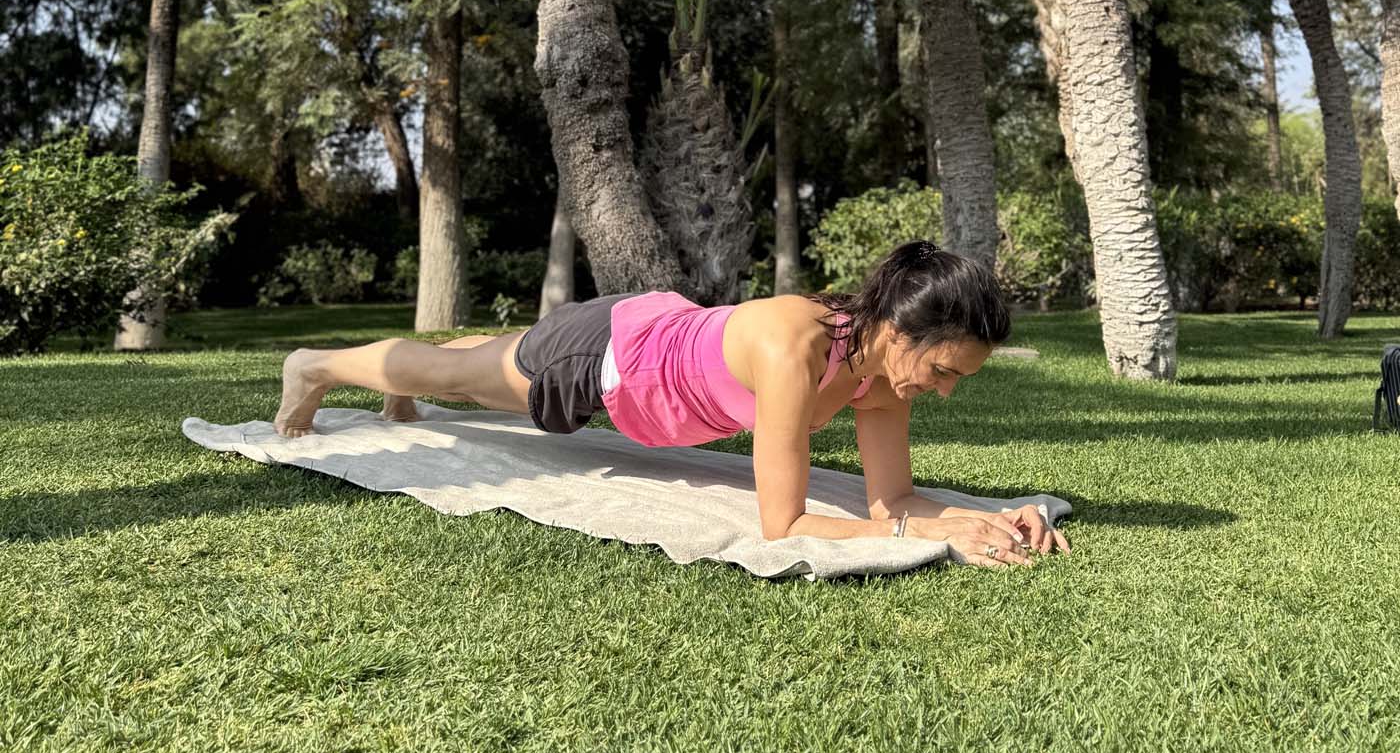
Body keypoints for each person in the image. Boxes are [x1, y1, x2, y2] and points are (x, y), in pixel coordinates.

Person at [272, 239, 1070, 568]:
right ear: (897, 329)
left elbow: (891, 501)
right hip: (605, 361)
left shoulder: (883, 377)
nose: (945, 389)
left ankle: (404, 383)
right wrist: (924, 532)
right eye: (944, 368)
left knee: (473, 367)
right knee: (455, 376)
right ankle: (315, 367)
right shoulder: (794, 346)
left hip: (653, 333)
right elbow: (784, 523)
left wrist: (987, 519)